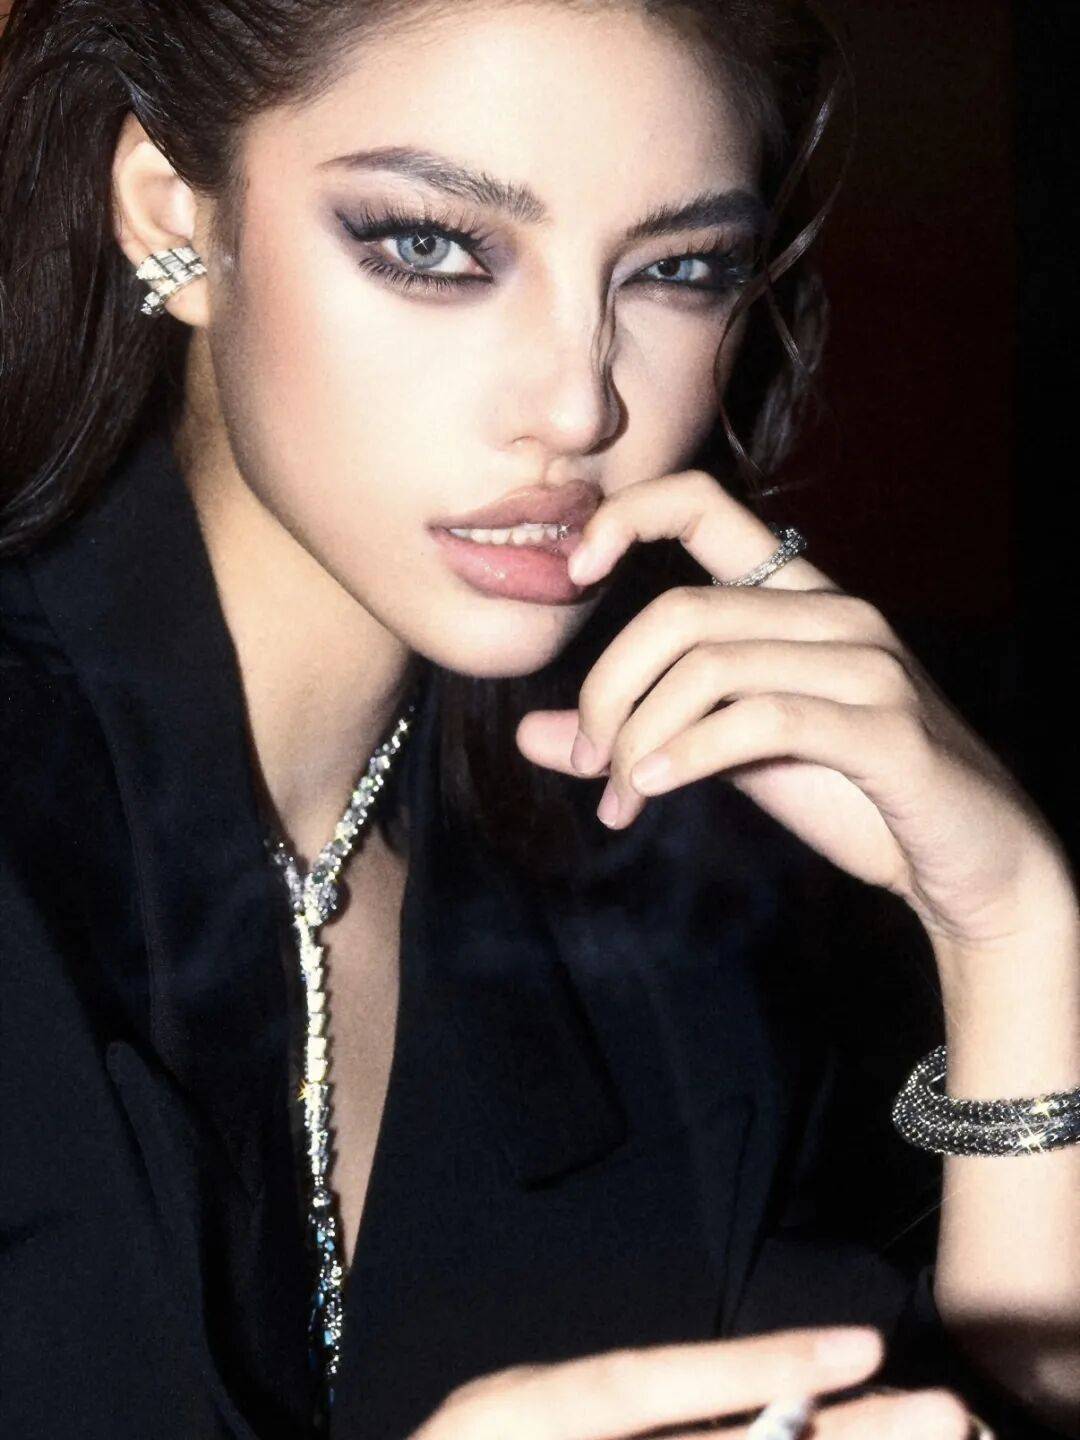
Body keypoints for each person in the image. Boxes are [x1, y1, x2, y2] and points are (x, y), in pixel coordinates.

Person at [1, 3, 1077, 1439]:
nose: (579, 403)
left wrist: (1007, 938)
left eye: (680, 270)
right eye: (432, 245)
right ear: (171, 214)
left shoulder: (661, 932)